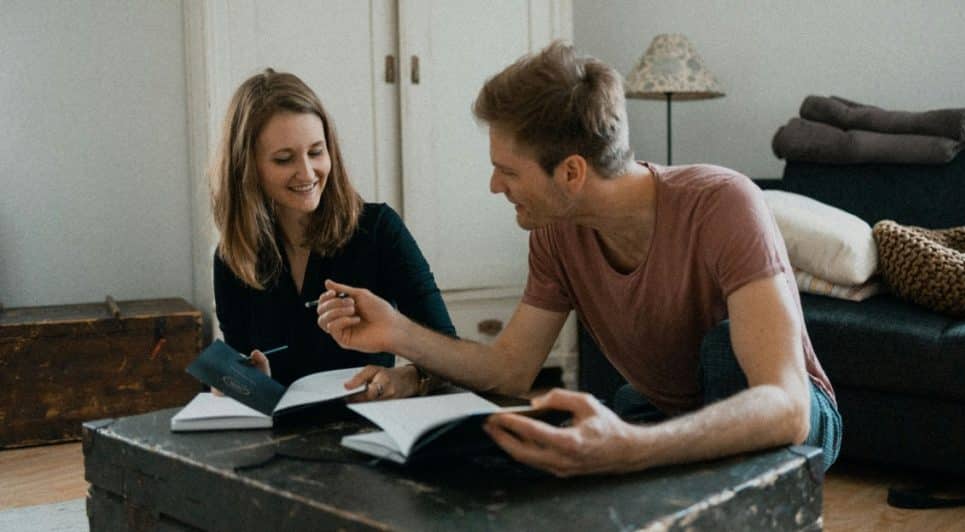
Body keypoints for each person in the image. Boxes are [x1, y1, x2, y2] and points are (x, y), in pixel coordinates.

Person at [315, 42, 842, 476]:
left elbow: (788, 407)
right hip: (668, 409)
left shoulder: (724, 203)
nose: (495, 185)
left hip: (794, 419)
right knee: (564, 437)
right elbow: (511, 370)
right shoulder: (555, 233)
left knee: (722, 351)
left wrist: (632, 448)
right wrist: (396, 333)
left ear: (571, 173)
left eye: (509, 171)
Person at [209, 68, 454, 402]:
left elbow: (448, 350)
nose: (308, 173)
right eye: (284, 159)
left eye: (316, 152)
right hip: (280, 437)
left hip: (367, 427)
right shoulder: (232, 256)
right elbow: (238, 371)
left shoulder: (380, 229)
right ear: (247, 167)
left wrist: (408, 378)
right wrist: (240, 384)